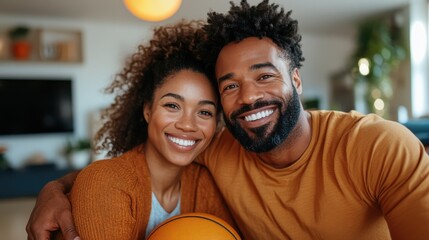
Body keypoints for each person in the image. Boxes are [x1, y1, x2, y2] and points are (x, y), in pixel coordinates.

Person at [27, 0, 429, 239]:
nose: (249, 96)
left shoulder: (377, 146)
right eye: (230, 86)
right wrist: (54, 188)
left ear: (296, 78)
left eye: (264, 75)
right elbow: (128, 168)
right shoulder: (219, 148)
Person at [40, 20, 237, 240]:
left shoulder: (208, 185)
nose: (188, 124)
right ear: (147, 111)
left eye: (205, 112)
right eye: (172, 105)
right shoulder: (105, 183)